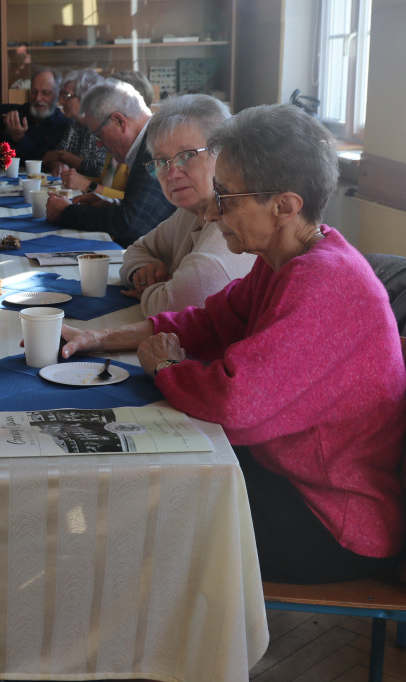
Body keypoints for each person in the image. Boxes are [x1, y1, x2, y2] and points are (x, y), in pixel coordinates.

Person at [57, 104, 406, 585]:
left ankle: (173, 651)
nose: (213, 210)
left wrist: (166, 370)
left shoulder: (325, 282)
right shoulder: (286, 257)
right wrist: (101, 338)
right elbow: (208, 321)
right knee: (143, 471)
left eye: (228, 197)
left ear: (284, 206)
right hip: (289, 477)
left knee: (148, 514)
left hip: (332, 518)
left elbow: (233, 400)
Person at [119, 94, 255, 315]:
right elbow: (137, 249)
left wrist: (153, 291)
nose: (173, 173)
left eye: (187, 156)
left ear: (223, 154)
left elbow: (173, 310)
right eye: (162, 161)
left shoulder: (235, 221)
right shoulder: (190, 212)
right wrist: (142, 273)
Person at [45, 80, 174, 247]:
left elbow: (132, 225)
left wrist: (67, 212)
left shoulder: (156, 147)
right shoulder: (151, 140)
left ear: (119, 121)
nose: (98, 144)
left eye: (98, 135)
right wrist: (111, 205)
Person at [0, 67, 70, 162]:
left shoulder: (62, 124)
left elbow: (44, 159)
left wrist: (19, 138)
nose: (38, 98)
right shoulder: (11, 112)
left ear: (58, 95)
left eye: (46, 93)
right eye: (34, 92)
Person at [43, 68, 106, 178]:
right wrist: (58, 165)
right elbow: (50, 157)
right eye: (62, 95)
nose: (61, 101)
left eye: (67, 96)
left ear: (86, 98)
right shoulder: (74, 124)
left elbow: (97, 169)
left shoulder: (101, 126)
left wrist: (64, 156)